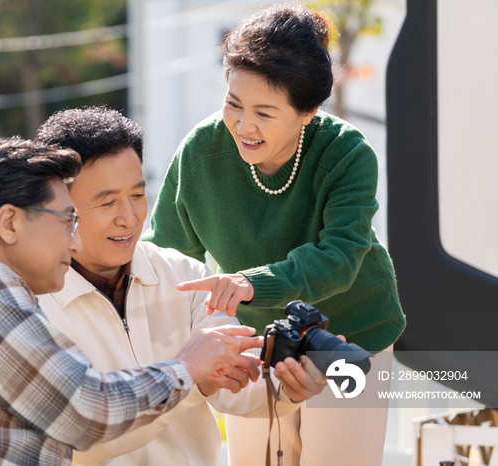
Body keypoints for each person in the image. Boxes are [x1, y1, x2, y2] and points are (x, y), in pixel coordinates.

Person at [0, 137, 263, 466]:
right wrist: (186, 368)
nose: (73, 240)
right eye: (66, 220)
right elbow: (85, 411)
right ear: (10, 223)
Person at [143, 4, 405, 466]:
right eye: (233, 103)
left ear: (308, 112)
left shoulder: (347, 154)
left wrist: (248, 283)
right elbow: (165, 256)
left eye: (264, 112)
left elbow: (340, 258)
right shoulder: (202, 150)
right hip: (256, 340)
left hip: (349, 335)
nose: (244, 125)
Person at [34, 107, 332, 466]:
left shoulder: (182, 275)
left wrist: (289, 386)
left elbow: (239, 385)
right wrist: (187, 375)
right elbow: (76, 438)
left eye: (138, 195)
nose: (128, 217)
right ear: (59, 206)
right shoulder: (32, 303)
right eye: (107, 201)